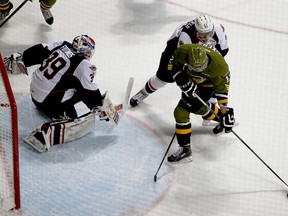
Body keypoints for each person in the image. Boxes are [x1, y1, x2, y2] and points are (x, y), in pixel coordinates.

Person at [4, 35, 119, 152]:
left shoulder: (62, 44)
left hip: (34, 94)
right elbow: (88, 91)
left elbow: (40, 50)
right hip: (48, 103)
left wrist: (23, 58)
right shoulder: (84, 65)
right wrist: (99, 106)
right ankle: (43, 134)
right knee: (73, 117)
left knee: (73, 79)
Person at [130, 14, 229, 109]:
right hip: (174, 50)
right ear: (196, 31)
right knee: (163, 78)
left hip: (200, 53)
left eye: (209, 34)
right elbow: (180, 60)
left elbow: (223, 52)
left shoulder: (219, 30)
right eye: (203, 35)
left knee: (214, 75)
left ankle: (211, 107)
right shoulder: (186, 37)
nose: (207, 38)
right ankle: (143, 93)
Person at [166, 44, 235, 163]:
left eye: (201, 67)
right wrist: (181, 78)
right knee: (193, 108)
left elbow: (222, 91)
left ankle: (185, 149)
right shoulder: (183, 51)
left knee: (181, 110)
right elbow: (173, 66)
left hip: (207, 85)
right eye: (195, 67)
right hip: (189, 80)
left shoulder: (220, 67)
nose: (198, 70)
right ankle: (185, 148)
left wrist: (225, 112)